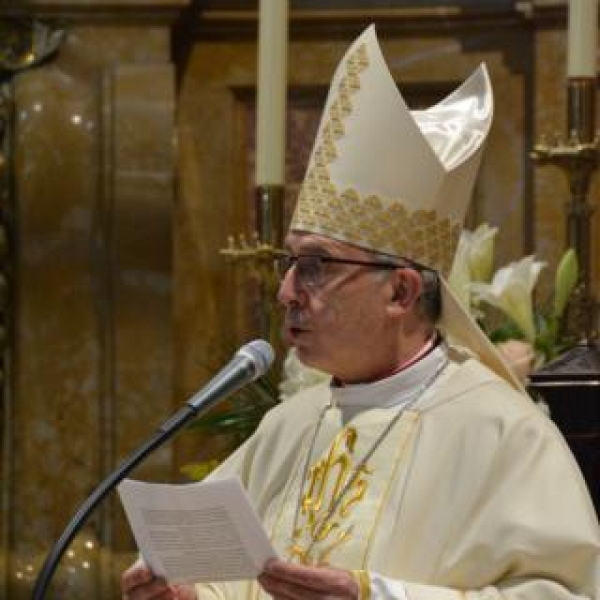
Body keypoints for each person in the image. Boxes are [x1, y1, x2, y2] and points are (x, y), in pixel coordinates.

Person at [122, 25, 600, 600]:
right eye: (289, 263)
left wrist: (378, 597)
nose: (288, 292)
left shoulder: (504, 434)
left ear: (400, 293)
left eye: (317, 265)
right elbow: (230, 583)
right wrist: (188, 596)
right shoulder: (286, 426)